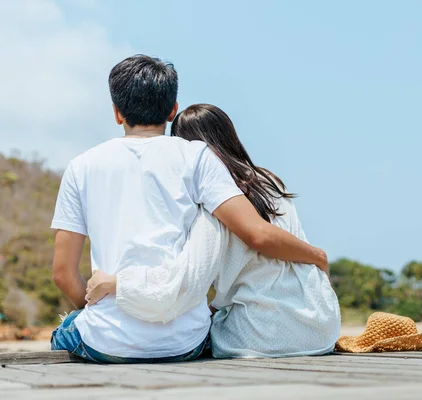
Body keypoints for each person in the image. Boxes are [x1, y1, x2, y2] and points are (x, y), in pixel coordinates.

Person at [51, 55, 328, 364]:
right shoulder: (198, 157)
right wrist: (317, 256)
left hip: (106, 341)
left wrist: (96, 307)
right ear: (172, 109)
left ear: (117, 112)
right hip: (184, 344)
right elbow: (256, 233)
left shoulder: (81, 166)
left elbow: (63, 274)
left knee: (67, 329)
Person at [86, 104, 341, 358]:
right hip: (321, 325)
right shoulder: (270, 182)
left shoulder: (214, 205)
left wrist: (118, 284)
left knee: (185, 333)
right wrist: (318, 256)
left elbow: (186, 279)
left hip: (262, 333)